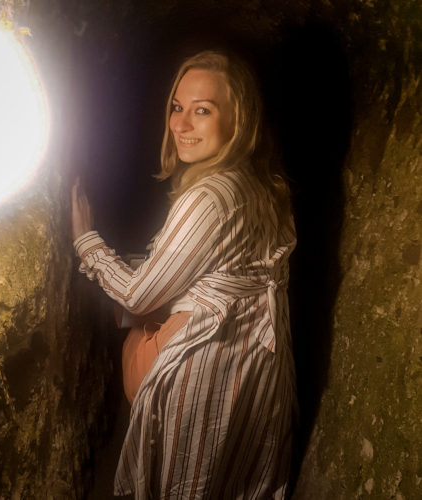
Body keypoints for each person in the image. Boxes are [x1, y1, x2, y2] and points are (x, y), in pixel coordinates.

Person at [72, 50, 297, 499]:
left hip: (206, 370)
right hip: (252, 367)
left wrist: (86, 242)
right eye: (177, 107)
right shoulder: (260, 183)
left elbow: (138, 296)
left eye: (203, 110)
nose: (181, 124)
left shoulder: (210, 197)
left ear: (240, 119)